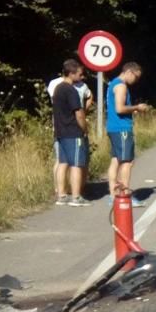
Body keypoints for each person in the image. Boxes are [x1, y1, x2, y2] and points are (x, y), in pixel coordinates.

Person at [106, 62, 150, 204]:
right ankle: (124, 195)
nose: (136, 81)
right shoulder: (121, 86)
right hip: (122, 128)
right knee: (127, 162)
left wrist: (132, 109)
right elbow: (119, 108)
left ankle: (113, 194)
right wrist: (137, 107)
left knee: (116, 160)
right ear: (129, 72)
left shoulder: (113, 83)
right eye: (136, 77)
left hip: (114, 127)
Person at [51, 60, 91, 207]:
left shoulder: (58, 88)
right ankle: (76, 197)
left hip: (60, 131)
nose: (82, 77)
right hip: (73, 132)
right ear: (71, 73)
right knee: (76, 164)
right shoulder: (71, 90)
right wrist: (84, 129)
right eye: (80, 74)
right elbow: (79, 113)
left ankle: (61, 195)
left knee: (63, 163)